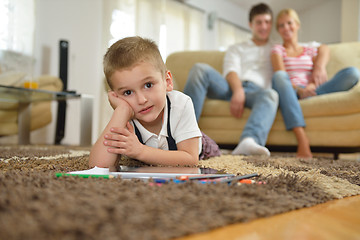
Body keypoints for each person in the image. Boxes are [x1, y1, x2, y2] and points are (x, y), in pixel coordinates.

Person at [89, 36, 220, 168]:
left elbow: (190, 159)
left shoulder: (181, 104)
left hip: (200, 148)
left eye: (148, 85)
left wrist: (140, 151)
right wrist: (121, 111)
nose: (142, 100)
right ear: (116, 97)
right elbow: (98, 167)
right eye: (127, 93)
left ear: (167, 82)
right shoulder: (125, 114)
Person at [183, 3, 278, 156]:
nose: (263, 26)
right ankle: (183, 132)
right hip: (230, 87)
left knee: (272, 95)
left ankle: (249, 141)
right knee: (199, 69)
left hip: (259, 93)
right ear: (250, 24)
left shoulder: (277, 49)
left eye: (267, 22)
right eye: (259, 22)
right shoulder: (237, 47)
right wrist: (238, 90)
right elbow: (231, 70)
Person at [271, 8, 360, 158]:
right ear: (278, 30)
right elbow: (281, 75)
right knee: (279, 77)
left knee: (352, 73)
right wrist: (299, 90)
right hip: (291, 92)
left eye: (289, 23)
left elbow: (324, 49)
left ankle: (308, 96)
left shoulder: (309, 50)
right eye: (281, 25)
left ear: (297, 25)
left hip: (313, 91)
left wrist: (317, 72)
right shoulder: (278, 50)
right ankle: (303, 139)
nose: (286, 28)